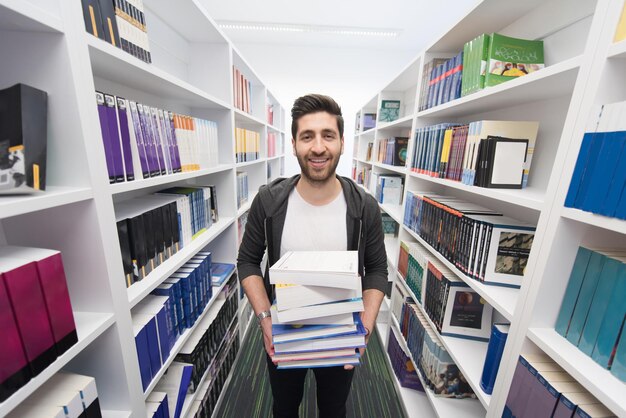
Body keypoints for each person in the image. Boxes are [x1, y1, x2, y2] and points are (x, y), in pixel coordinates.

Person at [237, 93, 388, 418]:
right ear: (294, 144)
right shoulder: (268, 202)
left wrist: (365, 325)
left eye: (327, 135)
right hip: (282, 331)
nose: (318, 147)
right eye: (307, 136)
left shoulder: (364, 207)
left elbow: (377, 269)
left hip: (341, 333)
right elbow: (247, 261)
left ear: (342, 143)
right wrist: (264, 320)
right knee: (284, 407)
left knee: (334, 408)